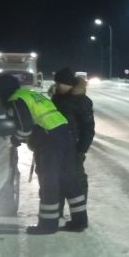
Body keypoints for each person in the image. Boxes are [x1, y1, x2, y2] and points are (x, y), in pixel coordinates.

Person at [0, 74, 88, 234]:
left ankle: (48, 225)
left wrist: (16, 139)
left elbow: (25, 127)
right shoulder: (30, 94)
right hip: (64, 133)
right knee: (68, 178)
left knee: (49, 181)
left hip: (49, 138)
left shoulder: (16, 100)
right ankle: (80, 221)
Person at [51, 67, 95, 217]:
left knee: (76, 180)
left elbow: (88, 128)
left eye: (59, 83)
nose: (56, 86)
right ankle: (55, 212)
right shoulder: (56, 97)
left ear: (68, 84)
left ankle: (79, 215)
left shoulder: (82, 101)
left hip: (74, 148)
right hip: (55, 147)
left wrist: (81, 150)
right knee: (55, 179)